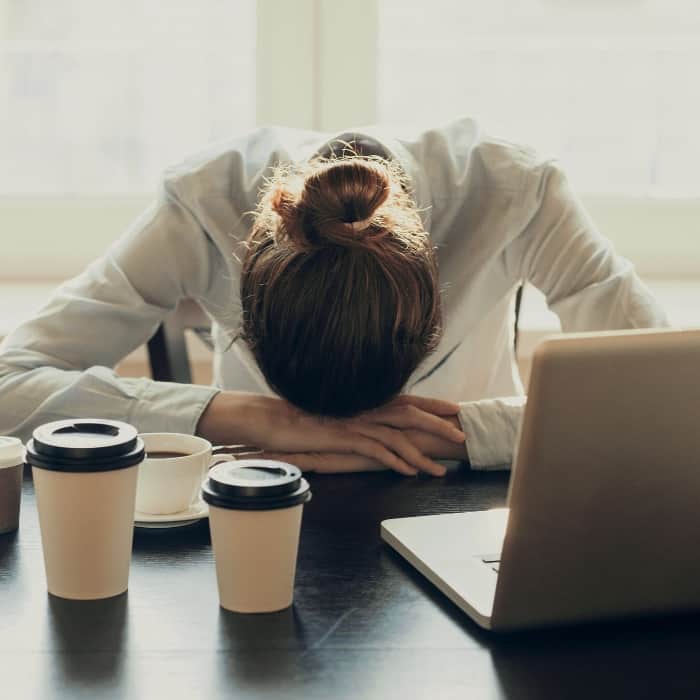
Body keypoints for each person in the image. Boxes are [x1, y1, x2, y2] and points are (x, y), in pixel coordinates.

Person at [0, 117, 668, 475]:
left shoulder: (516, 192)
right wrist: (247, 416)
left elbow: (672, 391)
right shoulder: (205, 200)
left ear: (433, 297)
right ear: (247, 297)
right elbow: (8, 381)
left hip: (461, 497)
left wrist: (466, 433)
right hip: (261, 486)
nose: (353, 435)